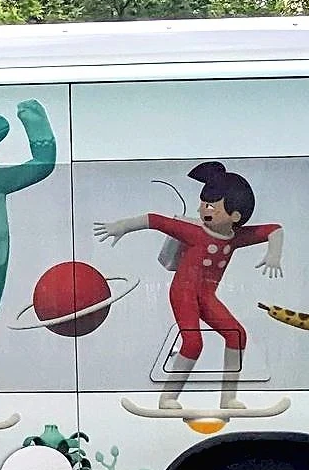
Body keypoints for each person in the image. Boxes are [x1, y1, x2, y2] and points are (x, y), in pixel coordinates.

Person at [96, 161, 283, 410]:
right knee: (193, 343)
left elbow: (274, 230)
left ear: (235, 216)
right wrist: (122, 226)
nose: (202, 209)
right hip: (183, 293)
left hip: (206, 297)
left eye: (210, 206)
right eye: (203, 203)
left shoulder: (236, 238)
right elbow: (155, 220)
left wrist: (274, 254)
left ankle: (228, 398)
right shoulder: (194, 232)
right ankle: (168, 397)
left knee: (237, 335)